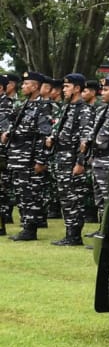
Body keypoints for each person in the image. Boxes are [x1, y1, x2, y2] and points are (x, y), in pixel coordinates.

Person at [3, 72, 54, 241]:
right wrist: (8, 133)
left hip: (30, 158)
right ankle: (25, 226)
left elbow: (44, 136)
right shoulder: (24, 105)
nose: (23, 87)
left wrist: (41, 160)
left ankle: (30, 229)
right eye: (23, 84)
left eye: (26, 84)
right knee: (21, 194)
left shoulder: (43, 107)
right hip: (18, 156)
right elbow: (13, 124)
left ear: (35, 86)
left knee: (31, 194)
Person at [47, 73, 92, 246]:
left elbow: (85, 140)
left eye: (67, 86)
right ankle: (69, 233)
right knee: (65, 198)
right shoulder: (67, 107)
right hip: (61, 158)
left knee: (74, 198)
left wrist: (80, 162)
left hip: (72, 159)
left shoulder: (84, 110)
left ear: (77, 88)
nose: (63, 89)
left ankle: (74, 235)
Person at [83, 77, 109, 237]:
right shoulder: (103, 109)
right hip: (98, 159)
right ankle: (102, 229)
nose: (102, 93)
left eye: (106, 90)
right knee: (100, 198)